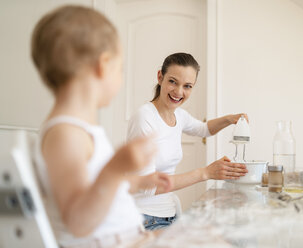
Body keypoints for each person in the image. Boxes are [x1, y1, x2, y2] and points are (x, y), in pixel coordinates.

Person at [31, 5, 171, 248]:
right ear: (103, 64)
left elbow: (96, 185)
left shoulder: (81, 129)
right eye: (120, 68)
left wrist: (139, 182)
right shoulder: (65, 135)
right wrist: (115, 168)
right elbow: (78, 221)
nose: (120, 77)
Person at [127, 52, 249, 230]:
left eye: (187, 86)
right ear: (160, 77)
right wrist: (205, 173)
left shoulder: (179, 115)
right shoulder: (144, 118)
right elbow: (147, 187)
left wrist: (230, 119)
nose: (178, 92)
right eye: (172, 81)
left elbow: (204, 129)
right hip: (143, 220)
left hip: (169, 215)